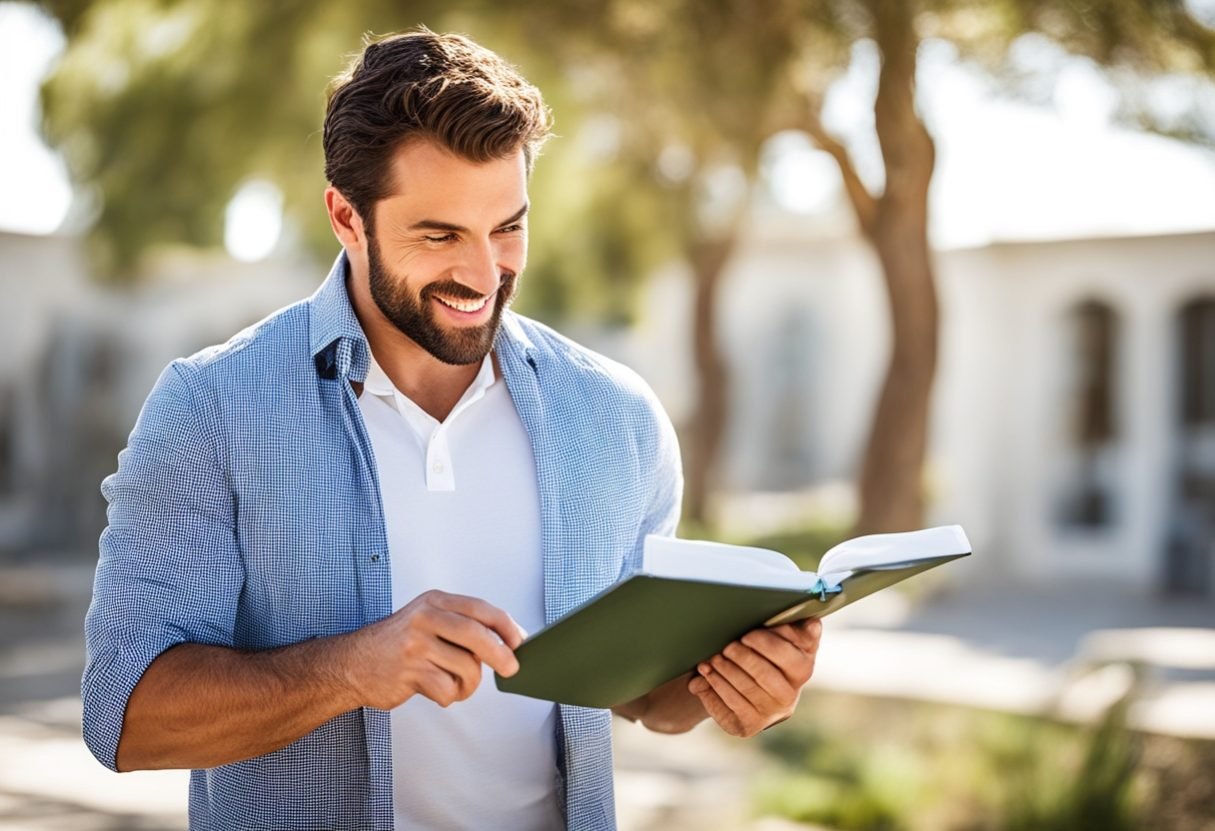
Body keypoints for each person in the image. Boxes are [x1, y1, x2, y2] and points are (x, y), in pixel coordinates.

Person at [82, 27, 823, 831]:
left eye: (506, 227)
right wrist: (351, 668)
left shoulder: (617, 417)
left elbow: (644, 692)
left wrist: (735, 686)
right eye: (438, 235)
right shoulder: (211, 409)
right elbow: (124, 716)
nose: (481, 274)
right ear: (345, 217)